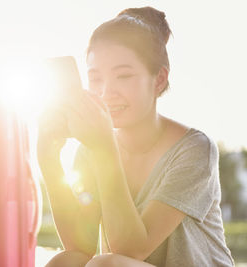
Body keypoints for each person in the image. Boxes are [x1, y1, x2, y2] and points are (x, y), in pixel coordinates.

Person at [37, 6, 235, 267]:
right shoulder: (92, 148)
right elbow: (80, 246)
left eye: (124, 76)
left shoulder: (195, 149)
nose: (107, 92)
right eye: (95, 78)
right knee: (66, 261)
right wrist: (48, 159)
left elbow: (131, 249)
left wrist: (105, 149)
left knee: (104, 265)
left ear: (159, 80)